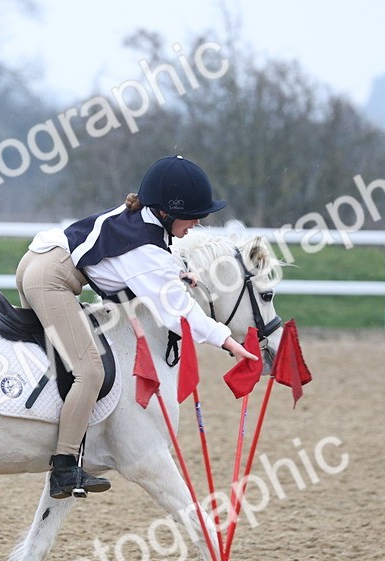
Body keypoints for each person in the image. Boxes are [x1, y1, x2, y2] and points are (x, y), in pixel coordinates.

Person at [16, 154, 258, 500]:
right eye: (193, 216)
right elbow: (178, 312)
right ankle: (65, 465)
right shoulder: (145, 241)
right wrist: (226, 341)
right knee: (90, 370)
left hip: (38, 263)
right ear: (168, 211)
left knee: (66, 360)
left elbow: (136, 265)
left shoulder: (142, 220)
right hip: (50, 280)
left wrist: (176, 273)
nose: (197, 223)